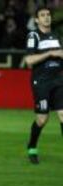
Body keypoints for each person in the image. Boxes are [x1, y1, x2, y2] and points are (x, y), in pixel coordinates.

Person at [25, 6, 63, 164]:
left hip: (59, 80)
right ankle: (32, 146)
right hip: (41, 82)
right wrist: (50, 53)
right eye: (42, 15)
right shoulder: (34, 36)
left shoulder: (57, 36)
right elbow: (29, 61)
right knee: (42, 119)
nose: (47, 17)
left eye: (48, 15)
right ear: (36, 19)